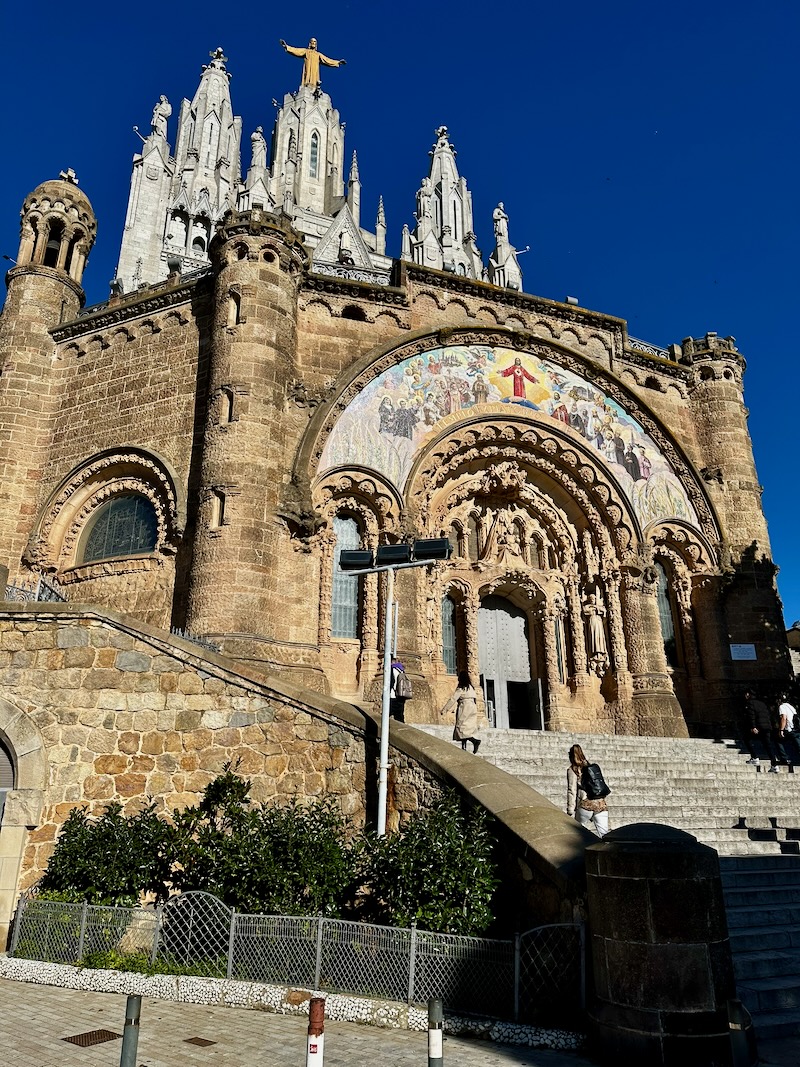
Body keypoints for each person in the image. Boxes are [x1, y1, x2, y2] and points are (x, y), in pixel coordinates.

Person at [566, 744, 608, 837]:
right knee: (605, 834)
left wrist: (570, 810)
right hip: (600, 803)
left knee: (578, 833)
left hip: (585, 804)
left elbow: (572, 790)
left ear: (571, 756)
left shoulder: (573, 769)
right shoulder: (591, 767)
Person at [279, 38, 346, 89]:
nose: (313, 43)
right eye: (312, 41)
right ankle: (306, 85)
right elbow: (297, 50)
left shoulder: (318, 54)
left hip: (314, 71)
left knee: (314, 78)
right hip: (307, 70)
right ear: (310, 43)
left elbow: (327, 60)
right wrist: (286, 46)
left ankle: (314, 88)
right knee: (307, 75)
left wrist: (338, 62)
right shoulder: (306, 51)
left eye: (315, 42)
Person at [742, 689, 783, 770]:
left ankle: (754, 757)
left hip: (758, 727)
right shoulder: (762, 704)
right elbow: (767, 715)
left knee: (746, 739)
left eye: (746, 694)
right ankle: (774, 765)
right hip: (767, 727)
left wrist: (753, 726)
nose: (745, 696)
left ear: (748, 694)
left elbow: (751, 716)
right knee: (768, 745)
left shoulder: (750, 703)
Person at [442, 671, 482, 753]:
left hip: (464, 708)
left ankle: (474, 741)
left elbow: (453, 699)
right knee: (467, 728)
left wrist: (445, 709)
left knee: (461, 727)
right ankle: (464, 746)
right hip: (472, 707)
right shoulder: (471, 687)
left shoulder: (461, 688)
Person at [778, 693, 800, 764]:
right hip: (796, 728)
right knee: (798, 744)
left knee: (778, 740)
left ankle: (784, 758)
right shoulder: (791, 707)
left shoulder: (782, 707)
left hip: (789, 729)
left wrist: (781, 730)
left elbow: (784, 718)